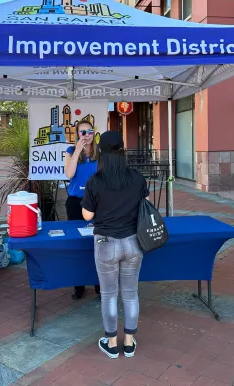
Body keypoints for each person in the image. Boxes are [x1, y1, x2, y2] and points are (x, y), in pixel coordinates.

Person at [81, 131, 149, 359]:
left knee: (109, 295)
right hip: (133, 243)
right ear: (122, 151)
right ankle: (129, 343)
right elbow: (145, 205)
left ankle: (111, 343)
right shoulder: (137, 177)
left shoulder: (95, 181)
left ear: (101, 152)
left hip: (106, 244)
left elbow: (87, 215)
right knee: (130, 294)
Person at [64, 119, 100, 300]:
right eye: (82, 132)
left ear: (94, 133)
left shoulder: (100, 152)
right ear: (77, 134)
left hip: (97, 204)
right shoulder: (71, 151)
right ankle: (79, 285)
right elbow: (69, 174)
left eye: (89, 131)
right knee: (78, 244)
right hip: (75, 202)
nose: (86, 135)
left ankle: (99, 285)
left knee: (99, 243)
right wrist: (78, 149)